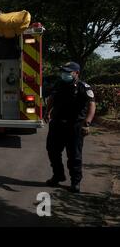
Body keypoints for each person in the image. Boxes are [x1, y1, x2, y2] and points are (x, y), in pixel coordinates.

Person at [44, 62, 96, 193]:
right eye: (63, 71)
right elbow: (52, 98)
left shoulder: (84, 87)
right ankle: (58, 175)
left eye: (68, 72)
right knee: (52, 150)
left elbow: (91, 105)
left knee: (74, 155)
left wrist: (87, 123)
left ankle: (75, 182)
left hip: (75, 126)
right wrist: (47, 112)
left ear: (76, 73)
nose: (64, 74)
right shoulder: (59, 84)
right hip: (57, 123)